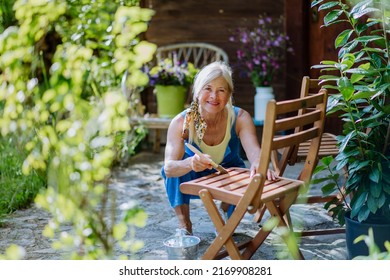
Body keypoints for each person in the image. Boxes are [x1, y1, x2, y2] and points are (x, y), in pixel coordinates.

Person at [161, 61, 276, 235]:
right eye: (208, 89)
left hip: (226, 173)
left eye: (221, 90)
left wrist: (259, 164)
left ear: (229, 94)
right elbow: (168, 168)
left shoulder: (240, 117)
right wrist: (190, 163)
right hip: (194, 174)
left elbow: (254, 153)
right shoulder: (180, 123)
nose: (214, 96)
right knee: (176, 173)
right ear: (197, 91)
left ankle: (226, 224)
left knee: (245, 173)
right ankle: (184, 226)